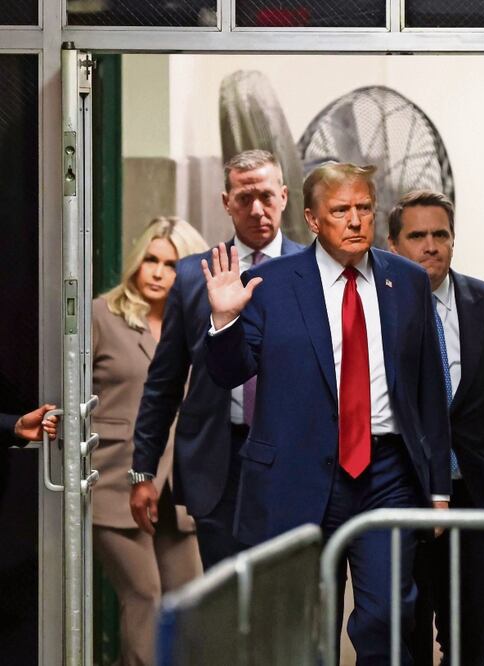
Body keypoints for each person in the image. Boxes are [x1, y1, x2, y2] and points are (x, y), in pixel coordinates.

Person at [203, 163, 451, 660]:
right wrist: (224, 320)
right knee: (307, 623)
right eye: (342, 211)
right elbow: (230, 372)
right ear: (313, 220)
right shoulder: (269, 283)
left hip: (388, 471)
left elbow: (428, 389)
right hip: (298, 473)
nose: (356, 220)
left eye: (364, 208)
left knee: (387, 616)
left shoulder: (405, 280)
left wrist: (439, 488)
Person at [130, 150, 305, 570]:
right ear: (226, 202)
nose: (257, 209)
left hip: (292, 458)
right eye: (244, 198)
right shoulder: (194, 275)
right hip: (218, 461)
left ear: (283, 196)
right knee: (225, 600)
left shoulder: (312, 271)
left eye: (266, 196)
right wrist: (143, 471)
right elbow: (164, 381)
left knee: (284, 598)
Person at [387, 190, 484, 664]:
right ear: (392, 245)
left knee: (471, 642)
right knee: (409, 640)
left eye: (440, 234)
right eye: (418, 235)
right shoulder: (377, 309)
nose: (431, 245)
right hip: (407, 494)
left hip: (478, 497)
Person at [91, 217, 207, 666]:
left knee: (186, 603)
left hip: (178, 490)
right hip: (115, 482)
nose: (157, 273)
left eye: (172, 264)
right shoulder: (103, 314)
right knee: (145, 597)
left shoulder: (198, 323)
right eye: (151, 260)